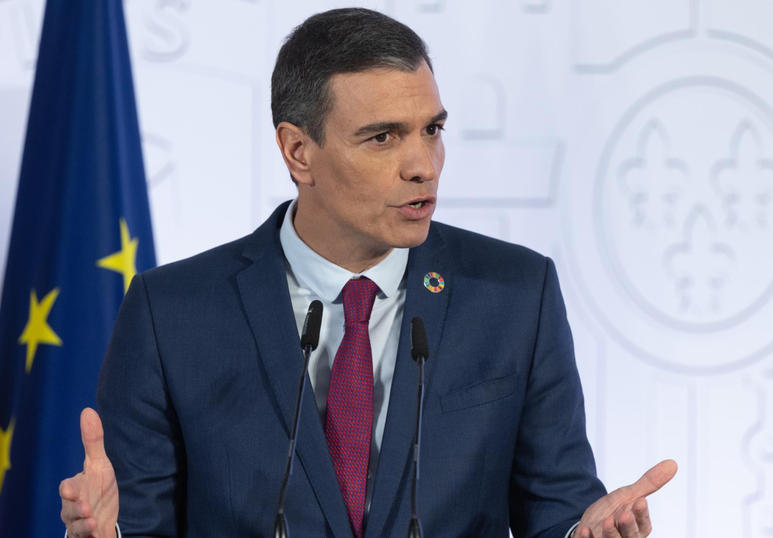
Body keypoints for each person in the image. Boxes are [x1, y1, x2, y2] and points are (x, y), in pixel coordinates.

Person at [59, 8, 676, 538]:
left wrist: (583, 531)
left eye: (432, 130)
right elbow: (139, 522)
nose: (423, 165)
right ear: (298, 152)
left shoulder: (517, 295)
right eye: (383, 137)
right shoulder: (171, 313)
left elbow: (557, 508)